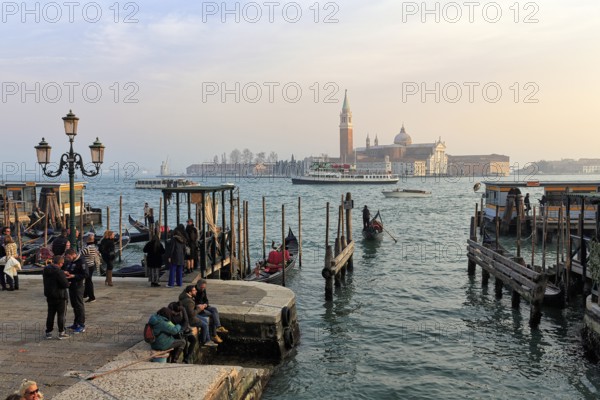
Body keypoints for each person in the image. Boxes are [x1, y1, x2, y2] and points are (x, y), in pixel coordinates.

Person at [43, 255, 71, 340]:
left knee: (50, 314)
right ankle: (61, 332)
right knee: (61, 314)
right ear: (60, 263)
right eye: (62, 263)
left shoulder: (46, 269)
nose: (62, 265)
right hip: (60, 295)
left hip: (50, 295)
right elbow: (65, 284)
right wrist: (67, 282)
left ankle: (48, 332)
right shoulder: (59, 272)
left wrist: (62, 272)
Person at [64, 248, 87, 333]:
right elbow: (70, 269)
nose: (68, 259)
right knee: (74, 305)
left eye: (68, 257)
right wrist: (67, 272)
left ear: (73, 254)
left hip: (78, 286)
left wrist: (73, 276)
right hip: (71, 286)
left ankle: (81, 325)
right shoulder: (71, 262)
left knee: (79, 305)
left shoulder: (81, 261)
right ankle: (76, 323)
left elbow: (85, 274)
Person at [80, 234, 101, 303]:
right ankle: (85, 294)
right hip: (91, 265)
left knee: (88, 282)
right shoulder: (94, 247)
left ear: (87, 240)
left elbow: (79, 255)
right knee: (88, 280)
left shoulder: (87, 248)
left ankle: (92, 297)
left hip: (87, 266)